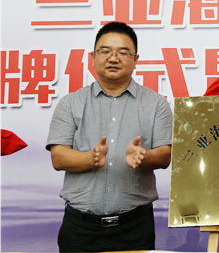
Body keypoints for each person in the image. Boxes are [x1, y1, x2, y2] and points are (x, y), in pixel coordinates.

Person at [46, 22, 173, 252]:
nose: (113, 58)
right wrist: (91, 158)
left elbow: (165, 155)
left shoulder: (156, 104)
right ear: (92, 57)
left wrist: (143, 157)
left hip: (135, 227)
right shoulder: (70, 103)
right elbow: (58, 157)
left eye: (123, 52)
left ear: (136, 59)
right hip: (80, 229)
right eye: (105, 51)